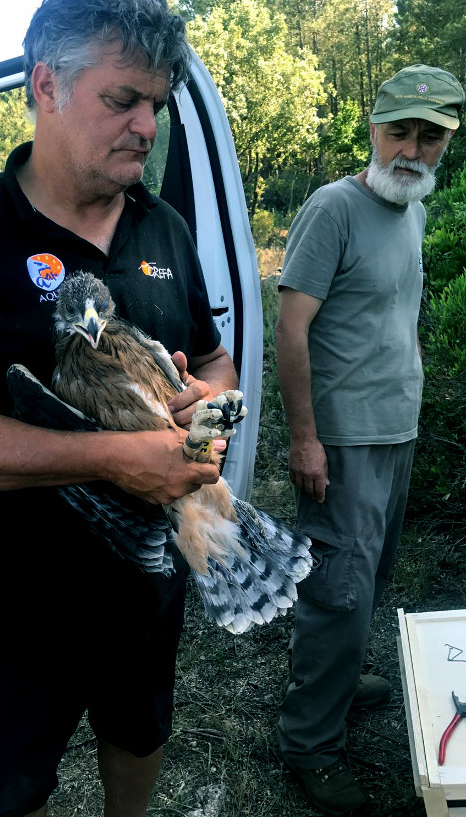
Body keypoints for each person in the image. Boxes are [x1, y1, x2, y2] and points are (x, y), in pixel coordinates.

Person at [0, 0, 239, 817]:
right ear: (47, 85)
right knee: (11, 790)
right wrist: (121, 459)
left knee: (140, 734)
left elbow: (216, 362)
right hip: (14, 607)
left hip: (146, 584)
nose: (147, 125)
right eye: (123, 100)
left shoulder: (163, 226)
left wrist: (209, 410)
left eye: (157, 102)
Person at [275, 63, 465, 815]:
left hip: (398, 429)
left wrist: (413, 366)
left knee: (370, 577)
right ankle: (309, 743)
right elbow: (291, 331)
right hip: (344, 439)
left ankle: (341, 678)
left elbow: (400, 306)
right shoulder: (334, 208)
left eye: (431, 136)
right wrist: (305, 441)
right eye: (400, 132)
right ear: (373, 129)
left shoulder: (412, 206)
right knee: (338, 593)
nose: (412, 149)